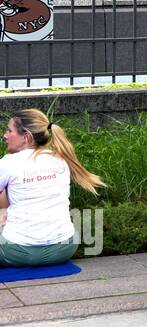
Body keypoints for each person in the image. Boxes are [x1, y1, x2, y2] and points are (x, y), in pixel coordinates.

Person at [0, 110, 103, 267]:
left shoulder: (8, 163)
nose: (5, 136)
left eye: (9, 130)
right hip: (64, 248)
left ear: (26, 137)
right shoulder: (60, 159)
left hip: (15, 252)